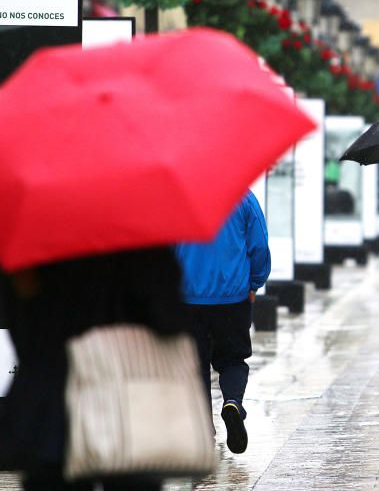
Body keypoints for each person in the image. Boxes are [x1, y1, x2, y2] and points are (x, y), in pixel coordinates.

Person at [0, 248, 188, 490]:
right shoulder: (141, 246)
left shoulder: (29, 250)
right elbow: (171, 321)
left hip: (50, 414)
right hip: (125, 406)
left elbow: (20, 332)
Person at [174, 191, 270, 455]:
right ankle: (232, 402)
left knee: (195, 365)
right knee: (233, 360)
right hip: (233, 298)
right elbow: (259, 245)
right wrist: (255, 282)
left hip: (188, 298)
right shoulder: (243, 197)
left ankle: (203, 428)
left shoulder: (178, 197)